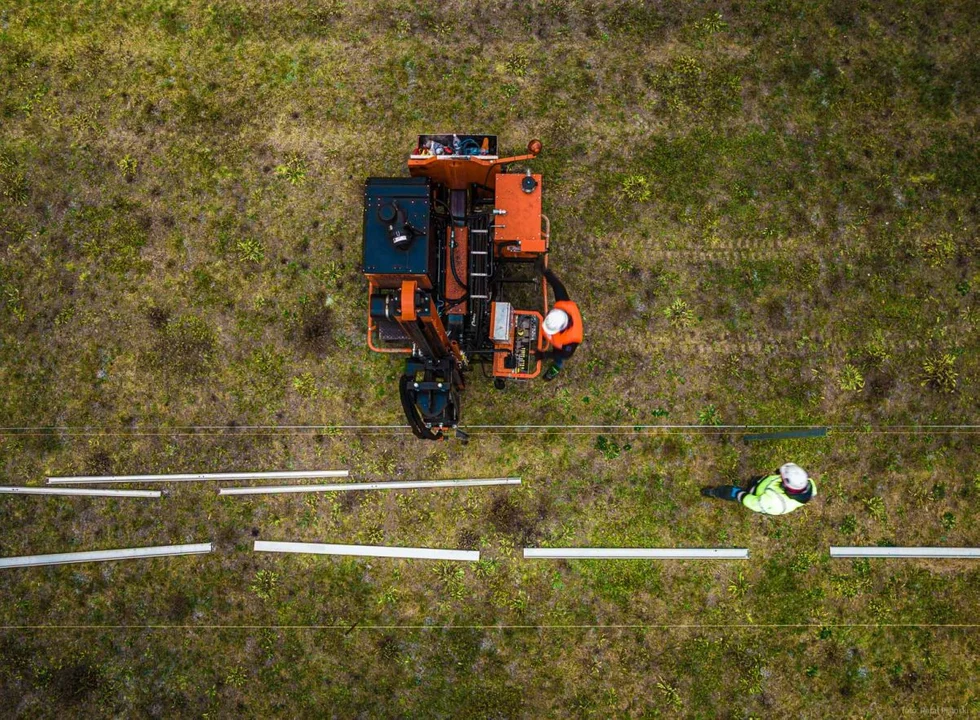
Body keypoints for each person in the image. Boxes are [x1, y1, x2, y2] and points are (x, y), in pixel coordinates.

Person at [701, 463, 816, 515]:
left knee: (731, 492)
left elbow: (753, 502)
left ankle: (714, 492)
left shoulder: (773, 502)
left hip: (755, 495)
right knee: (755, 481)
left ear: (786, 487)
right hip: (764, 484)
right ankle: (754, 483)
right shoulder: (807, 483)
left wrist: (740, 495)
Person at [537, 263, 582, 381]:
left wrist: (546, 355)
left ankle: (552, 373)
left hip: (560, 347)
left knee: (559, 360)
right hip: (556, 337)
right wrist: (547, 273)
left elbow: (563, 355)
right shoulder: (565, 305)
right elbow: (558, 287)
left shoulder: (571, 342)